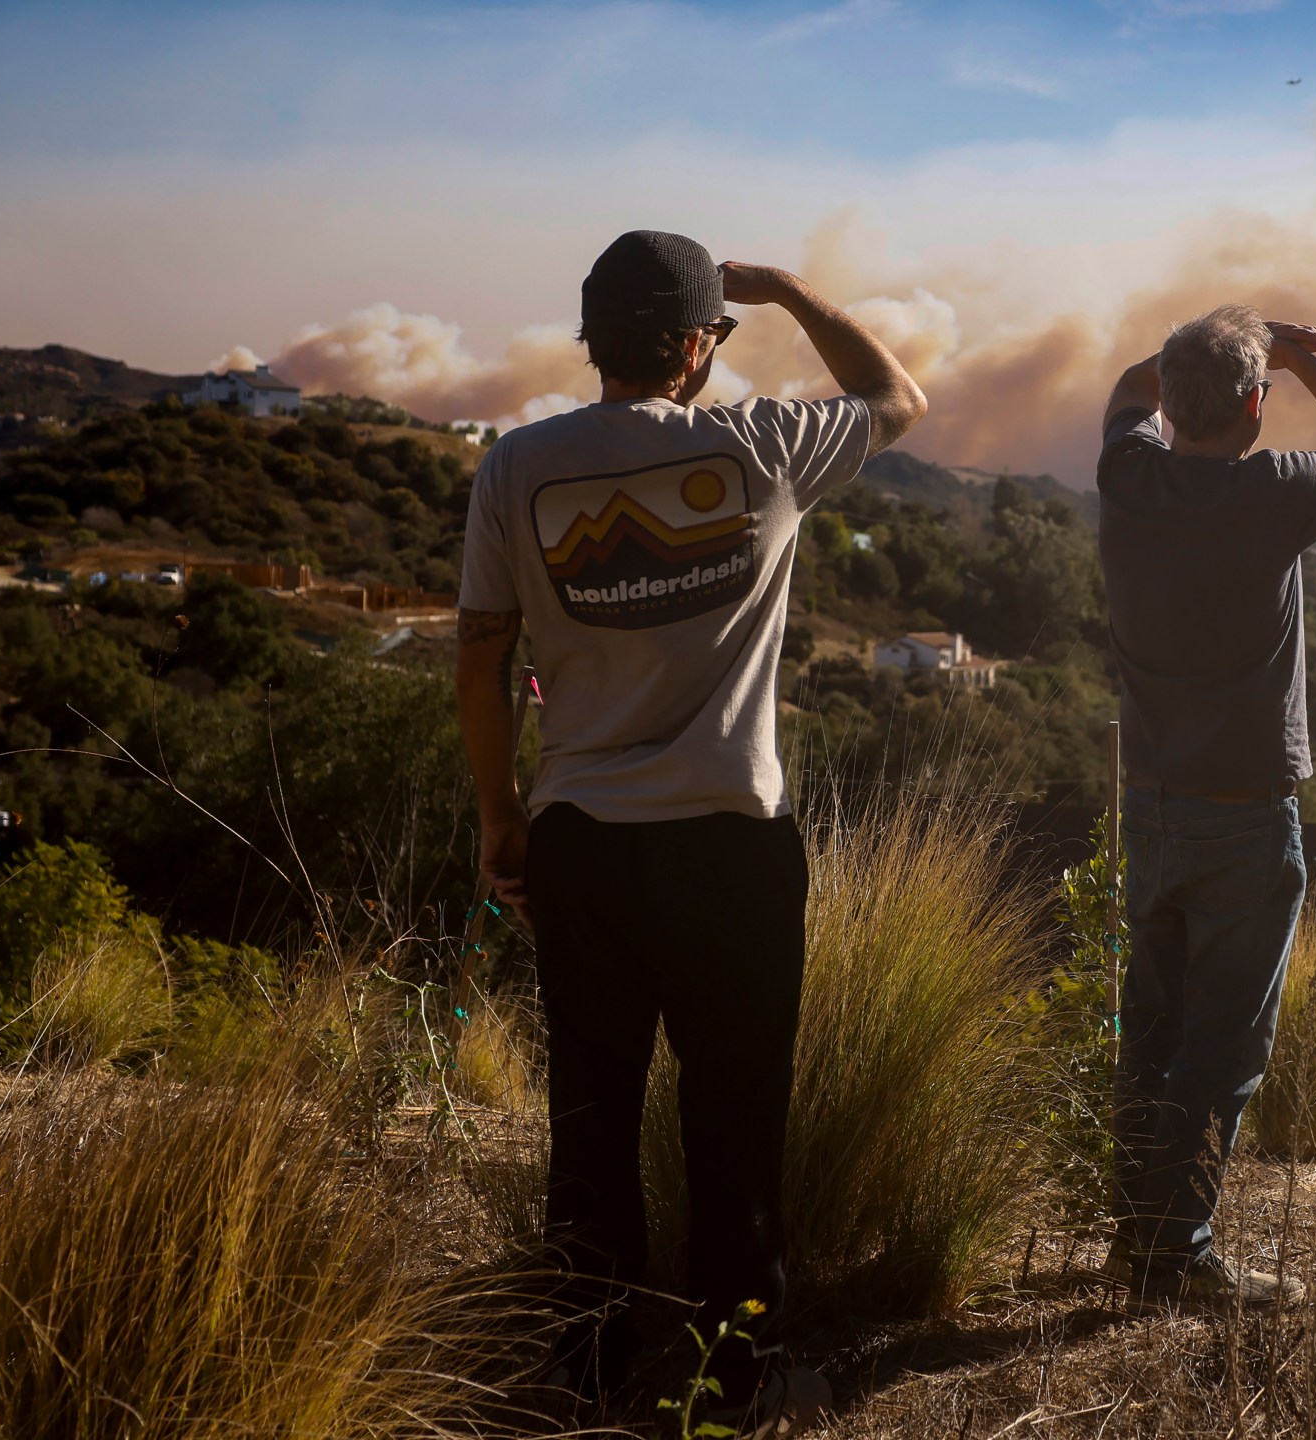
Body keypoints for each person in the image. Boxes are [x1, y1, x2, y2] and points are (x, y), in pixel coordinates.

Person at [454, 230, 925, 1430]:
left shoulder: (515, 466)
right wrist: (782, 291)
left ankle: (590, 1363)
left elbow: (481, 649)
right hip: (729, 845)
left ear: (591, 337)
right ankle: (731, 1386)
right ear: (697, 345)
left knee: (592, 1117)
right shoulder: (760, 443)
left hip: (582, 844)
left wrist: (501, 818)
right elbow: (896, 397)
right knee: (735, 1122)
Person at [1096, 303, 1316, 1307]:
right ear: (1254, 406)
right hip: (1240, 817)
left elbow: (1127, 391)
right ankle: (1173, 1256)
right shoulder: (1272, 490)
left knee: (1150, 1029)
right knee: (1221, 1043)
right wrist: (1301, 356)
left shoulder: (1128, 474)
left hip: (1148, 804)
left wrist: (1220, 354)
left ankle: (1137, 1240)